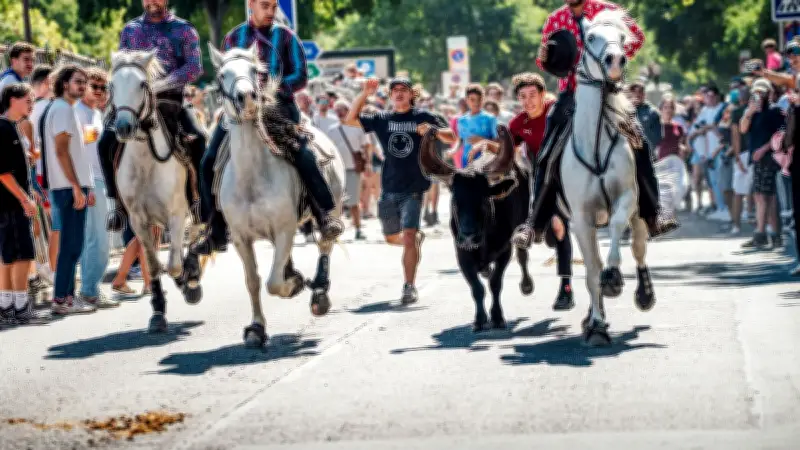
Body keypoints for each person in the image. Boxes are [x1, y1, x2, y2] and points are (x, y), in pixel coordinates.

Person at [512, 0, 678, 250]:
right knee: (547, 152)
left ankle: (654, 214)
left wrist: (616, 60)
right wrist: (544, 59)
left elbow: (638, 38)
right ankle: (534, 223)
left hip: (609, 92)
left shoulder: (607, 11)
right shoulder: (555, 20)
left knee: (639, 143)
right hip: (571, 93)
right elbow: (547, 61)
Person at [196, 0, 345, 255]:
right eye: (265, 6)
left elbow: (301, 76)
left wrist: (270, 89)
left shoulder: (286, 36)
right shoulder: (233, 38)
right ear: (251, 5)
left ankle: (324, 216)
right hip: (238, 111)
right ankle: (214, 229)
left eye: (274, 6)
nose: (271, 11)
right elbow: (223, 75)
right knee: (208, 160)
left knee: (304, 154)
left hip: (279, 108)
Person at [98, 0, 207, 234]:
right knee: (104, 143)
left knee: (199, 139)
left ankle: (200, 202)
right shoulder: (130, 30)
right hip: (134, 104)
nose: (152, 2)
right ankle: (116, 206)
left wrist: (161, 84)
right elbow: (121, 66)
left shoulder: (184, 29)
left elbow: (194, 67)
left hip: (172, 102)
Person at [344, 77, 455, 304]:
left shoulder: (423, 116)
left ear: (411, 94)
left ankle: (409, 286)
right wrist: (364, 94)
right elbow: (350, 119)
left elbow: (451, 137)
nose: (398, 93)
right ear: (390, 95)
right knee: (391, 237)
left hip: (414, 186)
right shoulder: (382, 119)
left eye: (403, 89)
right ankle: (412, 242)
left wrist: (433, 130)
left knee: (409, 235)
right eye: (394, 90)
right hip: (389, 186)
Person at [479, 72, 575, 310]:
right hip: (542, 182)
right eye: (523, 96)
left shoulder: (558, 111)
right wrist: (485, 146)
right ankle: (533, 230)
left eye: (533, 95)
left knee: (558, 227)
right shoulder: (518, 123)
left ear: (543, 94)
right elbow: (506, 153)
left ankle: (566, 288)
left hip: (571, 177)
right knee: (552, 236)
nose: (528, 101)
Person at [40, 65, 97, 315]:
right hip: (67, 187)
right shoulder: (62, 109)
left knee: (73, 246)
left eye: (84, 82)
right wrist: (76, 187)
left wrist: (86, 186)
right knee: (71, 247)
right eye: (78, 81)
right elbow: (61, 151)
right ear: (65, 84)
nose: (83, 86)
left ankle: (67, 298)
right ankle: (62, 299)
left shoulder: (65, 109)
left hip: (71, 186)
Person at [76, 68, 119, 309]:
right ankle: (89, 291)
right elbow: (77, 152)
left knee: (97, 240)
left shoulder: (95, 113)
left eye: (104, 87)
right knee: (98, 241)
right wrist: (86, 186)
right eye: (95, 87)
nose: (100, 91)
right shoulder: (78, 112)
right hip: (90, 181)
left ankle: (90, 289)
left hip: (100, 180)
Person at [0, 83, 40, 324]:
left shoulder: (11, 127)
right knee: (22, 254)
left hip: (11, 201)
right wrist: (25, 199)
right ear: (13, 100)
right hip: (11, 203)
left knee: (8, 255)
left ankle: (7, 305)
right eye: (28, 100)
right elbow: (3, 173)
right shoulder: (3, 128)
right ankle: (21, 306)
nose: (31, 104)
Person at [740, 78, 785, 249]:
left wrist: (764, 149)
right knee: (764, 196)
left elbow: (780, 134)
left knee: (764, 196)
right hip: (757, 159)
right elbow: (743, 129)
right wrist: (749, 112)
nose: (759, 95)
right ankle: (772, 234)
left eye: (762, 92)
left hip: (770, 159)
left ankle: (763, 233)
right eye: (756, 92)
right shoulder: (752, 111)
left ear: (769, 93)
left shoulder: (775, 111)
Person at [325, 100, 371, 240]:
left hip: (353, 168)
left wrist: (368, 164)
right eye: (336, 109)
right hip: (336, 169)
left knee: (353, 201)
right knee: (335, 202)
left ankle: (358, 229)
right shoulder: (332, 129)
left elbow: (366, 146)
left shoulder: (357, 127)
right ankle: (335, 230)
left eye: (342, 109)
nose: (339, 112)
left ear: (348, 110)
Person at [457, 84, 498, 168]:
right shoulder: (461, 120)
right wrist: (453, 150)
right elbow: (461, 140)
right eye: (472, 100)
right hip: (466, 161)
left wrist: (482, 140)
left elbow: (497, 144)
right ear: (466, 100)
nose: (476, 103)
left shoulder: (490, 118)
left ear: (483, 99)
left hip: (485, 163)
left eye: (479, 99)